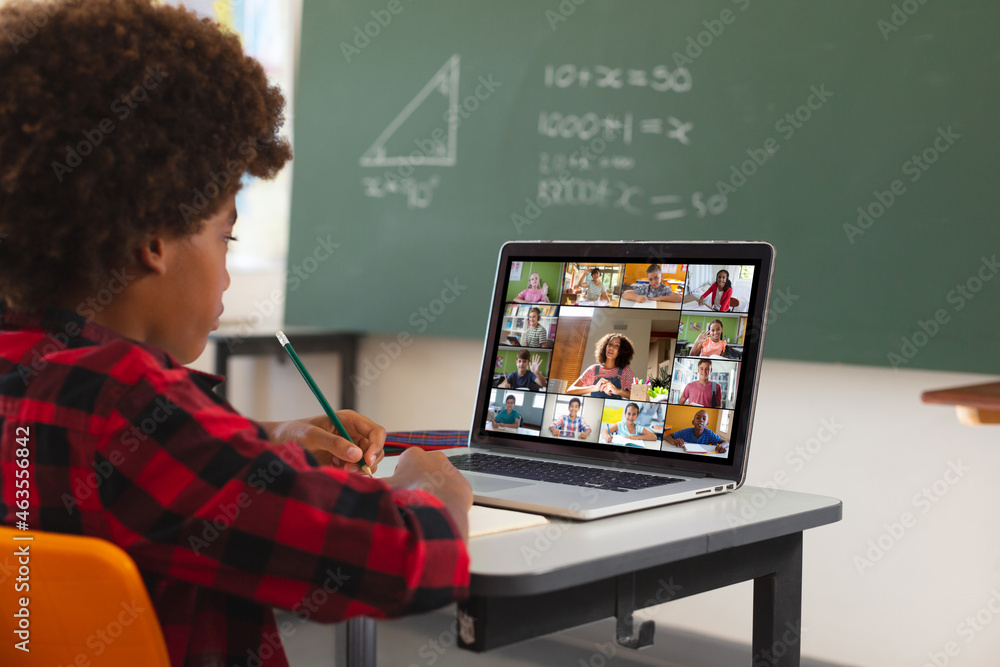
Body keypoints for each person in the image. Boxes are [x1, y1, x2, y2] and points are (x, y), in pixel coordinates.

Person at [0, 3, 472, 665]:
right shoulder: (133, 406)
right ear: (154, 239)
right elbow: (400, 561)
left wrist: (265, 441)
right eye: (227, 234)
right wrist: (432, 491)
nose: (226, 267)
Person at [567, 333, 636, 399]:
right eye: (610, 344)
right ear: (605, 346)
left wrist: (618, 391)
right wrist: (594, 388)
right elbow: (570, 391)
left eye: (617, 346)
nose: (611, 348)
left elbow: (636, 396)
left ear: (622, 351)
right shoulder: (593, 369)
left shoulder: (625, 371)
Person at [664, 410, 729, 453]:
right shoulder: (686, 432)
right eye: (698, 418)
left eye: (704, 419)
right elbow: (667, 436)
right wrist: (673, 441)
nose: (701, 420)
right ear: (693, 422)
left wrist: (721, 446)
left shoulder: (709, 434)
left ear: (707, 424)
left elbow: (726, 442)